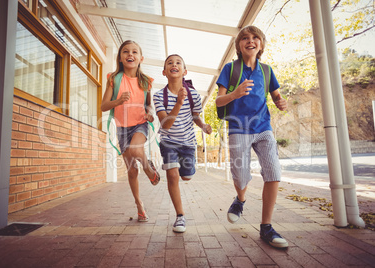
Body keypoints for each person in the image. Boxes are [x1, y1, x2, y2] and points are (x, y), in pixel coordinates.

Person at [215, 26, 288, 248]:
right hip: (238, 128)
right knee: (240, 175)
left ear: (261, 45)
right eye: (245, 38)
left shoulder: (266, 70)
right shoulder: (230, 69)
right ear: (239, 45)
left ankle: (266, 226)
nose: (250, 41)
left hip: (263, 126)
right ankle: (240, 200)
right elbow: (219, 101)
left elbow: (276, 95)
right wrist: (235, 94)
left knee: (274, 172)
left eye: (255, 38)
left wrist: (280, 102)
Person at [101, 40, 160, 222]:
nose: (130, 55)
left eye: (134, 52)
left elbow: (148, 106)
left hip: (139, 124)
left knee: (136, 150)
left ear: (140, 58)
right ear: (120, 57)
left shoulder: (145, 81)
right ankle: (139, 205)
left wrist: (150, 114)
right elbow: (104, 106)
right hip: (122, 127)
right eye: (125, 51)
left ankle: (149, 170)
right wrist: (118, 101)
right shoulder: (113, 78)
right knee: (132, 170)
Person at [153, 54, 212, 233]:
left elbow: (195, 116)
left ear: (184, 71)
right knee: (172, 176)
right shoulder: (158, 96)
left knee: (186, 176)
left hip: (187, 143)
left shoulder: (193, 94)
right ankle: (180, 216)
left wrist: (202, 125)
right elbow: (166, 124)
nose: (174, 64)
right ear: (164, 72)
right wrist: (179, 102)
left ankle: (186, 171)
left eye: (178, 62)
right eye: (170, 63)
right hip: (168, 141)